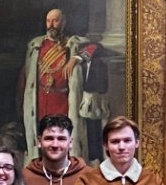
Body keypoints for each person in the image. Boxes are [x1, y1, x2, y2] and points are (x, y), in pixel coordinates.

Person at [21, 8, 105, 159]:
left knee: (62, 138)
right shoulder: (36, 46)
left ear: (64, 22)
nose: (51, 25)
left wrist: (76, 58)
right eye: (48, 21)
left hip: (62, 102)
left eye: (55, 20)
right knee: (41, 138)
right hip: (40, 100)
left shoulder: (73, 44)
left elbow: (95, 47)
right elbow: (26, 76)